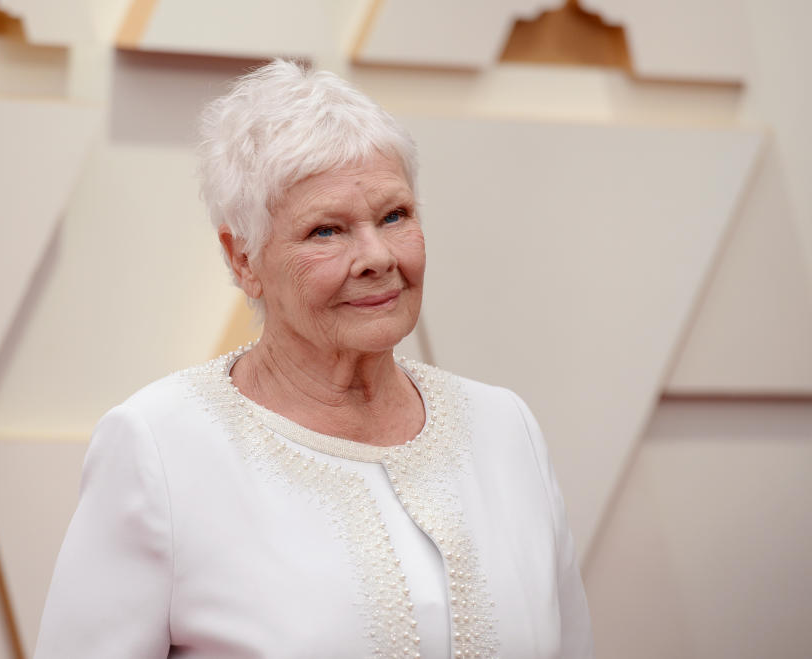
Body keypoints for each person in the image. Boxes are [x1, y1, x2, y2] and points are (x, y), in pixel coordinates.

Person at [34, 59, 593, 659]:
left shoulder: (505, 428)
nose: (377, 255)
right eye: (327, 231)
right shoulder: (160, 446)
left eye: (394, 216)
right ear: (244, 259)